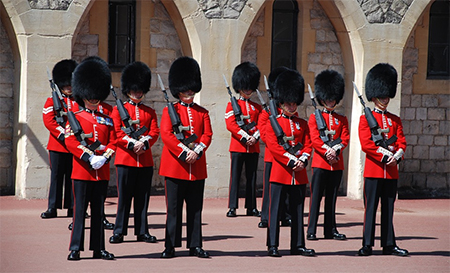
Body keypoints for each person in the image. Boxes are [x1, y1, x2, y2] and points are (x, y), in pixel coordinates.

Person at [159, 56, 213, 259]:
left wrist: (197, 150)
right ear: (178, 90)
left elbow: (207, 134)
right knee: (173, 209)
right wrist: (184, 152)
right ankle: (170, 245)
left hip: (196, 167)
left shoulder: (202, 113)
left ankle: (195, 245)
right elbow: (167, 135)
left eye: (191, 89)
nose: (189, 93)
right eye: (185, 90)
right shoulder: (169, 110)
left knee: (195, 209)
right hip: (175, 167)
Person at [65, 56, 116, 261]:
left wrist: (104, 157)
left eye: (96, 96)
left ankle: (98, 248)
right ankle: (75, 247)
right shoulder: (76, 117)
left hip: (101, 171)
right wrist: (88, 157)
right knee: (79, 212)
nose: (94, 99)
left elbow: (114, 141)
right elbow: (70, 141)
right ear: (83, 94)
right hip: (82, 171)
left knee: (98, 212)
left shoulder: (107, 118)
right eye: (90, 96)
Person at [357, 63, 408, 257]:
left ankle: (388, 244)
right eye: (381, 97)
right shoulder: (365, 120)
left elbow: (402, 141)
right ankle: (367, 244)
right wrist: (383, 155)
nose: (384, 100)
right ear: (374, 97)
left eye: (386, 96)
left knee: (388, 208)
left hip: (391, 171)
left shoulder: (395, 120)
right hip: (374, 171)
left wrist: (398, 154)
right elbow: (366, 144)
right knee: (371, 208)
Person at [264, 69, 315, 257]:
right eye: (289, 103)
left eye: (294, 103)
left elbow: (308, 144)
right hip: (280, 172)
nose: (292, 106)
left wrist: (303, 159)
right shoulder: (273, 122)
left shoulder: (302, 123)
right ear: (282, 102)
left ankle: (298, 245)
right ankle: (273, 245)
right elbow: (274, 146)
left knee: (297, 211)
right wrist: (291, 159)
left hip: (298, 174)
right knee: (275, 211)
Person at [109, 61, 160, 244]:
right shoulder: (118, 110)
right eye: (135, 90)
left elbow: (154, 132)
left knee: (143, 199)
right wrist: (131, 144)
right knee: (124, 199)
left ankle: (142, 231)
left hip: (145, 161)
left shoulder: (150, 111)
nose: (138, 93)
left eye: (140, 90)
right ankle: (119, 231)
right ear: (128, 90)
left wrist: (144, 143)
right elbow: (116, 133)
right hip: (125, 160)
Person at [307, 70, 349, 241]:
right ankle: (311, 230)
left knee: (331, 200)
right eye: (327, 99)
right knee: (315, 198)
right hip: (320, 163)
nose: (330, 101)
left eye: (333, 99)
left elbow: (345, 137)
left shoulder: (342, 119)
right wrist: (327, 151)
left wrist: (336, 150)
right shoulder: (314, 118)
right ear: (322, 99)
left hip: (336, 164)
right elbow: (315, 139)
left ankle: (330, 229)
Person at [41, 59, 78, 219]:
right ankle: (52, 207)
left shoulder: (78, 102)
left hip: (74, 145)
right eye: (65, 85)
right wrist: (63, 134)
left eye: (70, 85)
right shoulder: (52, 101)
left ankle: (72, 207)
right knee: (56, 176)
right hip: (58, 145)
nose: (68, 88)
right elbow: (48, 120)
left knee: (72, 176)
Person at [225, 62, 262, 218]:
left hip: (253, 146)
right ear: (239, 87)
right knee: (235, 177)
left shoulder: (257, 107)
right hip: (238, 146)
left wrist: (255, 136)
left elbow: (263, 124)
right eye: (245, 87)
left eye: (249, 87)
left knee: (252, 177)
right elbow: (230, 124)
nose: (248, 90)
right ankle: (232, 206)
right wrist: (245, 136)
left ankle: (251, 207)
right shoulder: (232, 105)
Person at [258, 66, 291, 228]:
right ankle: (266, 217)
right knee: (269, 189)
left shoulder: (289, 114)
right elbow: (263, 133)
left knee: (286, 189)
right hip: (272, 156)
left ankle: (285, 215)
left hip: (288, 155)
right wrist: (277, 144)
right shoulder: (267, 113)